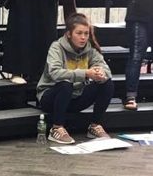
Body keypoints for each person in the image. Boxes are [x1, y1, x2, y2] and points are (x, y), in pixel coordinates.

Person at [36, 13, 113, 145]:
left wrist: (100, 73)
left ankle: (95, 126)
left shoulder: (90, 50)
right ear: (69, 34)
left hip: (76, 97)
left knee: (107, 83)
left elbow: (106, 70)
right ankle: (57, 128)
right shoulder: (56, 47)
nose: (83, 38)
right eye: (79, 33)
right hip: (51, 98)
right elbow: (55, 73)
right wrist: (86, 73)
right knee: (66, 84)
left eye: (86, 33)